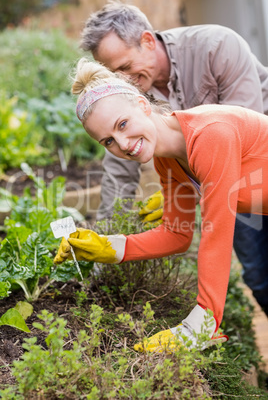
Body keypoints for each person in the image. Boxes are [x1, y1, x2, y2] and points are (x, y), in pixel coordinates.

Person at [55, 58, 268, 352]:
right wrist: (110, 246)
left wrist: (201, 326)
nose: (123, 144)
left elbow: (216, 233)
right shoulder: (167, 160)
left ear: (143, 105)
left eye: (123, 124)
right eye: (109, 141)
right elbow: (177, 234)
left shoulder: (211, 135)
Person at [80, 1, 268, 316]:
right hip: (222, 181)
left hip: (248, 163)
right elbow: (122, 176)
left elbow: (233, 142)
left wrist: (202, 323)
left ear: (148, 41)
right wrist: (107, 244)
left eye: (125, 68)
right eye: (114, 75)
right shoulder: (150, 139)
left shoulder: (216, 46)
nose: (122, 81)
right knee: (259, 276)